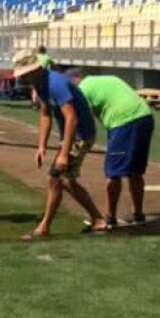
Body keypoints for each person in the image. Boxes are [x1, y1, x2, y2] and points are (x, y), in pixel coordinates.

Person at [12, 49, 109, 241]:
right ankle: (97, 218)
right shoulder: (39, 84)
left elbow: (71, 117)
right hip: (70, 136)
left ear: (35, 69)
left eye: (25, 74)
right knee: (63, 179)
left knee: (56, 178)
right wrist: (42, 146)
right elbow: (46, 114)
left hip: (80, 135)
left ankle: (45, 226)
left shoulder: (56, 83)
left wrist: (64, 153)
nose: (23, 78)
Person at [67, 68, 155, 227]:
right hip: (145, 117)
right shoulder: (108, 78)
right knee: (135, 171)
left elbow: (82, 120)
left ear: (75, 80)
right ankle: (138, 214)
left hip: (124, 122)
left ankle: (109, 218)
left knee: (113, 173)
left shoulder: (83, 89)